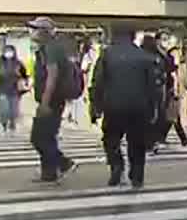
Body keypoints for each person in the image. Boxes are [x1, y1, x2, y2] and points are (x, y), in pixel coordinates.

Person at [90, 24, 158, 189]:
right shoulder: (144, 56)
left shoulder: (107, 55)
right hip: (139, 106)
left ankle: (116, 166)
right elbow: (152, 86)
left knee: (111, 139)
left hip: (113, 105)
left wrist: (95, 105)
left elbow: (98, 82)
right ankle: (137, 175)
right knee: (137, 142)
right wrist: (153, 108)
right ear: (133, 36)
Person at [27, 17, 78, 184]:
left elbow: (52, 76)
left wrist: (45, 103)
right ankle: (49, 174)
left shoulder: (51, 49)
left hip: (52, 100)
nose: (32, 32)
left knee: (38, 137)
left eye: (35, 29)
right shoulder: (47, 48)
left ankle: (63, 163)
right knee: (47, 137)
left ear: (44, 32)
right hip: (52, 99)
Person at [0, 43, 28, 135]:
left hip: (15, 90)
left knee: (14, 111)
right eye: (7, 51)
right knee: (4, 110)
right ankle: (3, 126)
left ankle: (12, 126)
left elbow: (25, 75)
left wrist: (22, 79)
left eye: (10, 51)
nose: (8, 53)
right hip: (3, 89)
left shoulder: (18, 63)